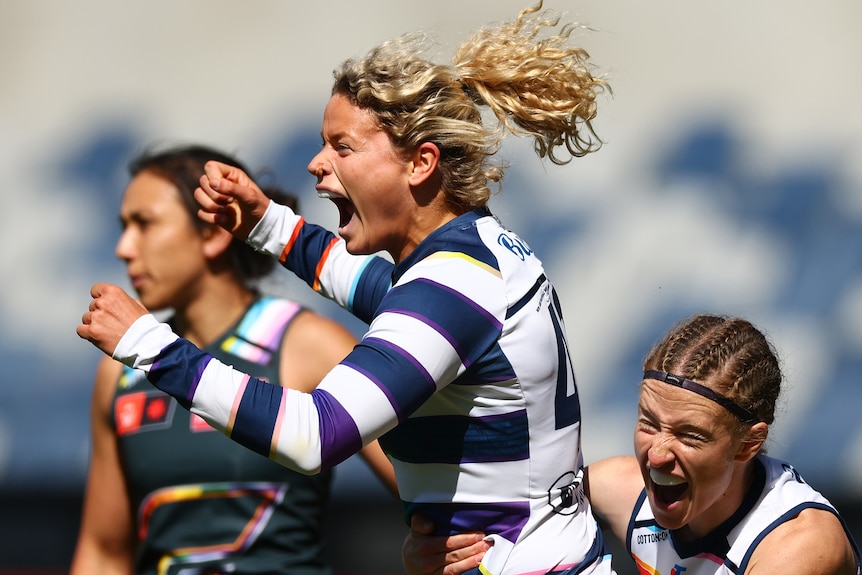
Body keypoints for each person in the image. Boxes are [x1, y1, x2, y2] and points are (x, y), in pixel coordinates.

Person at [77, 3, 613, 573]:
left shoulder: (455, 280)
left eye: (343, 146)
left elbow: (315, 435)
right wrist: (265, 223)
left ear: (420, 163)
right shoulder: (471, 256)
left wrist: (148, 345)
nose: (316, 164)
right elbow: (371, 285)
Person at [70, 144, 397, 575]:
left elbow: (425, 482)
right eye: (123, 226)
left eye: (144, 224)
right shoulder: (120, 372)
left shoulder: (309, 345)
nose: (125, 248)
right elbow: (103, 554)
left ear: (212, 232)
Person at [402, 314, 862, 575]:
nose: (657, 454)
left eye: (689, 435)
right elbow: (494, 519)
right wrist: (440, 557)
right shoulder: (618, 489)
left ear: (748, 444)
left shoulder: (798, 548)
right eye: (648, 423)